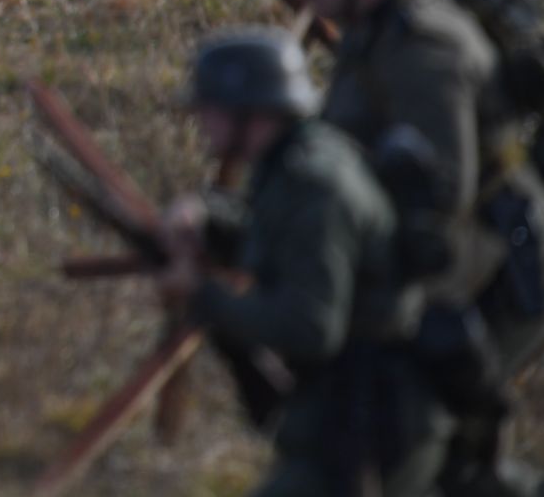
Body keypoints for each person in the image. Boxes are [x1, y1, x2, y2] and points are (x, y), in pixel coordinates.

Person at [295, 0, 544, 495]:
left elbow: (441, 193)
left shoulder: (422, 50)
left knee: (421, 452)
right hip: (455, 270)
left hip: (493, 273)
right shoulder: (375, 35)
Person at [158, 28, 447, 497]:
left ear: (249, 113)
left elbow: (310, 327)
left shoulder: (313, 184)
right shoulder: (297, 160)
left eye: (210, 110)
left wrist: (203, 295)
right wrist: (205, 214)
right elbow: (270, 230)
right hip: (348, 416)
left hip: (369, 428)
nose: (201, 122)